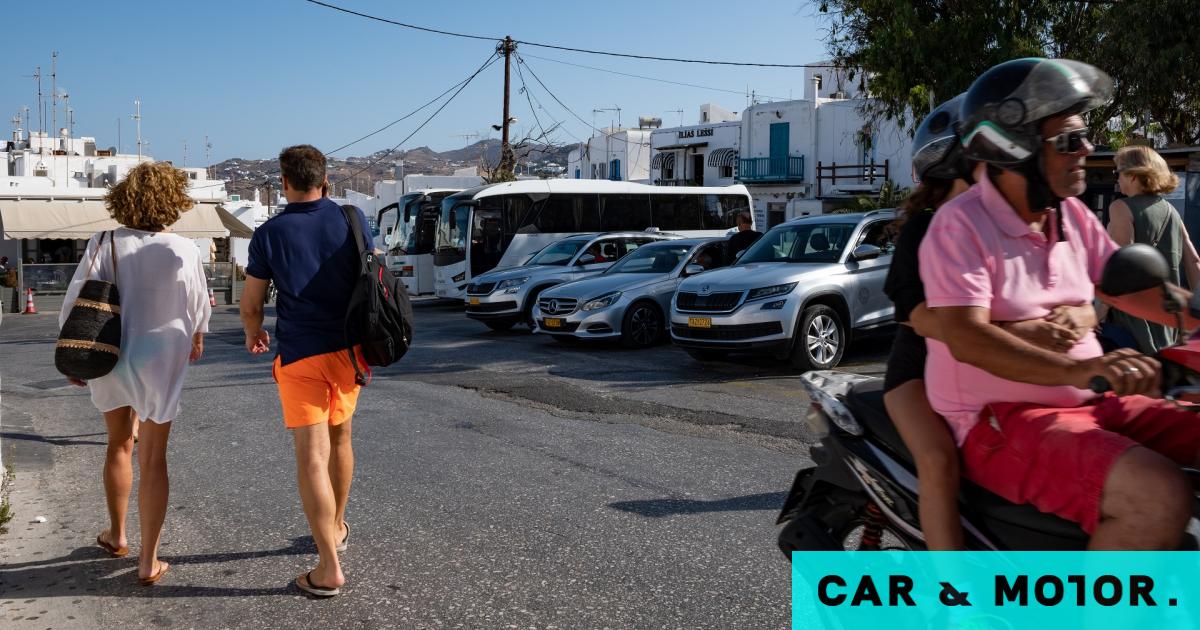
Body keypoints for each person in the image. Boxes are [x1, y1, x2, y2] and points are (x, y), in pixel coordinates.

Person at [921, 58, 1200, 549]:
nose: (1088, 150)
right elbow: (966, 336)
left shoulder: (1068, 214)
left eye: (1084, 136)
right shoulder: (959, 225)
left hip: (1095, 403)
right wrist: (1077, 373)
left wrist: (1192, 309)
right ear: (1015, 149)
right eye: (1069, 140)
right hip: (1001, 419)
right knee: (1156, 493)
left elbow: (1125, 284)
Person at [882, 95, 1098, 550]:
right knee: (939, 464)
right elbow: (921, 318)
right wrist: (1019, 333)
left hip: (994, 376)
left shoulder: (1029, 219)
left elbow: (1087, 292)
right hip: (915, 374)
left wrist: (1076, 316)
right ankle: (957, 598)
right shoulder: (929, 229)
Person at [60, 161, 210, 583]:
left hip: (111, 349)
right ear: (173, 201)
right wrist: (197, 338)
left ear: (124, 199)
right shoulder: (183, 248)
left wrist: (73, 356)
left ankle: (117, 534)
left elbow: (76, 301)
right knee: (154, 457)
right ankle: (148, 560)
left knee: (118, 444)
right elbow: (199, 307)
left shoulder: (104, 241)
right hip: (162, 352)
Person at [240, 144, 370, 597]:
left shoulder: (269, 234)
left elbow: (252, 302)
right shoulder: (352, 219)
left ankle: (329, 568)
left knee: (311, 457)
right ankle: (335, 527)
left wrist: (254, 332)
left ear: (284, 182)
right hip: (350, 351)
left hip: (300, 354)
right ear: (325, 180)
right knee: (342, 441)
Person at [1105, 145, 1200, 353]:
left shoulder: (1120, 207)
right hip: (1169, 320)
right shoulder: (1172, 212)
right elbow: (1193, 261)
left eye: (1117, 172)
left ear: (1133, 175)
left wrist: (1097, 313)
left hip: (1133, 320)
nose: (1116, 178)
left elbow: (1122, 268)